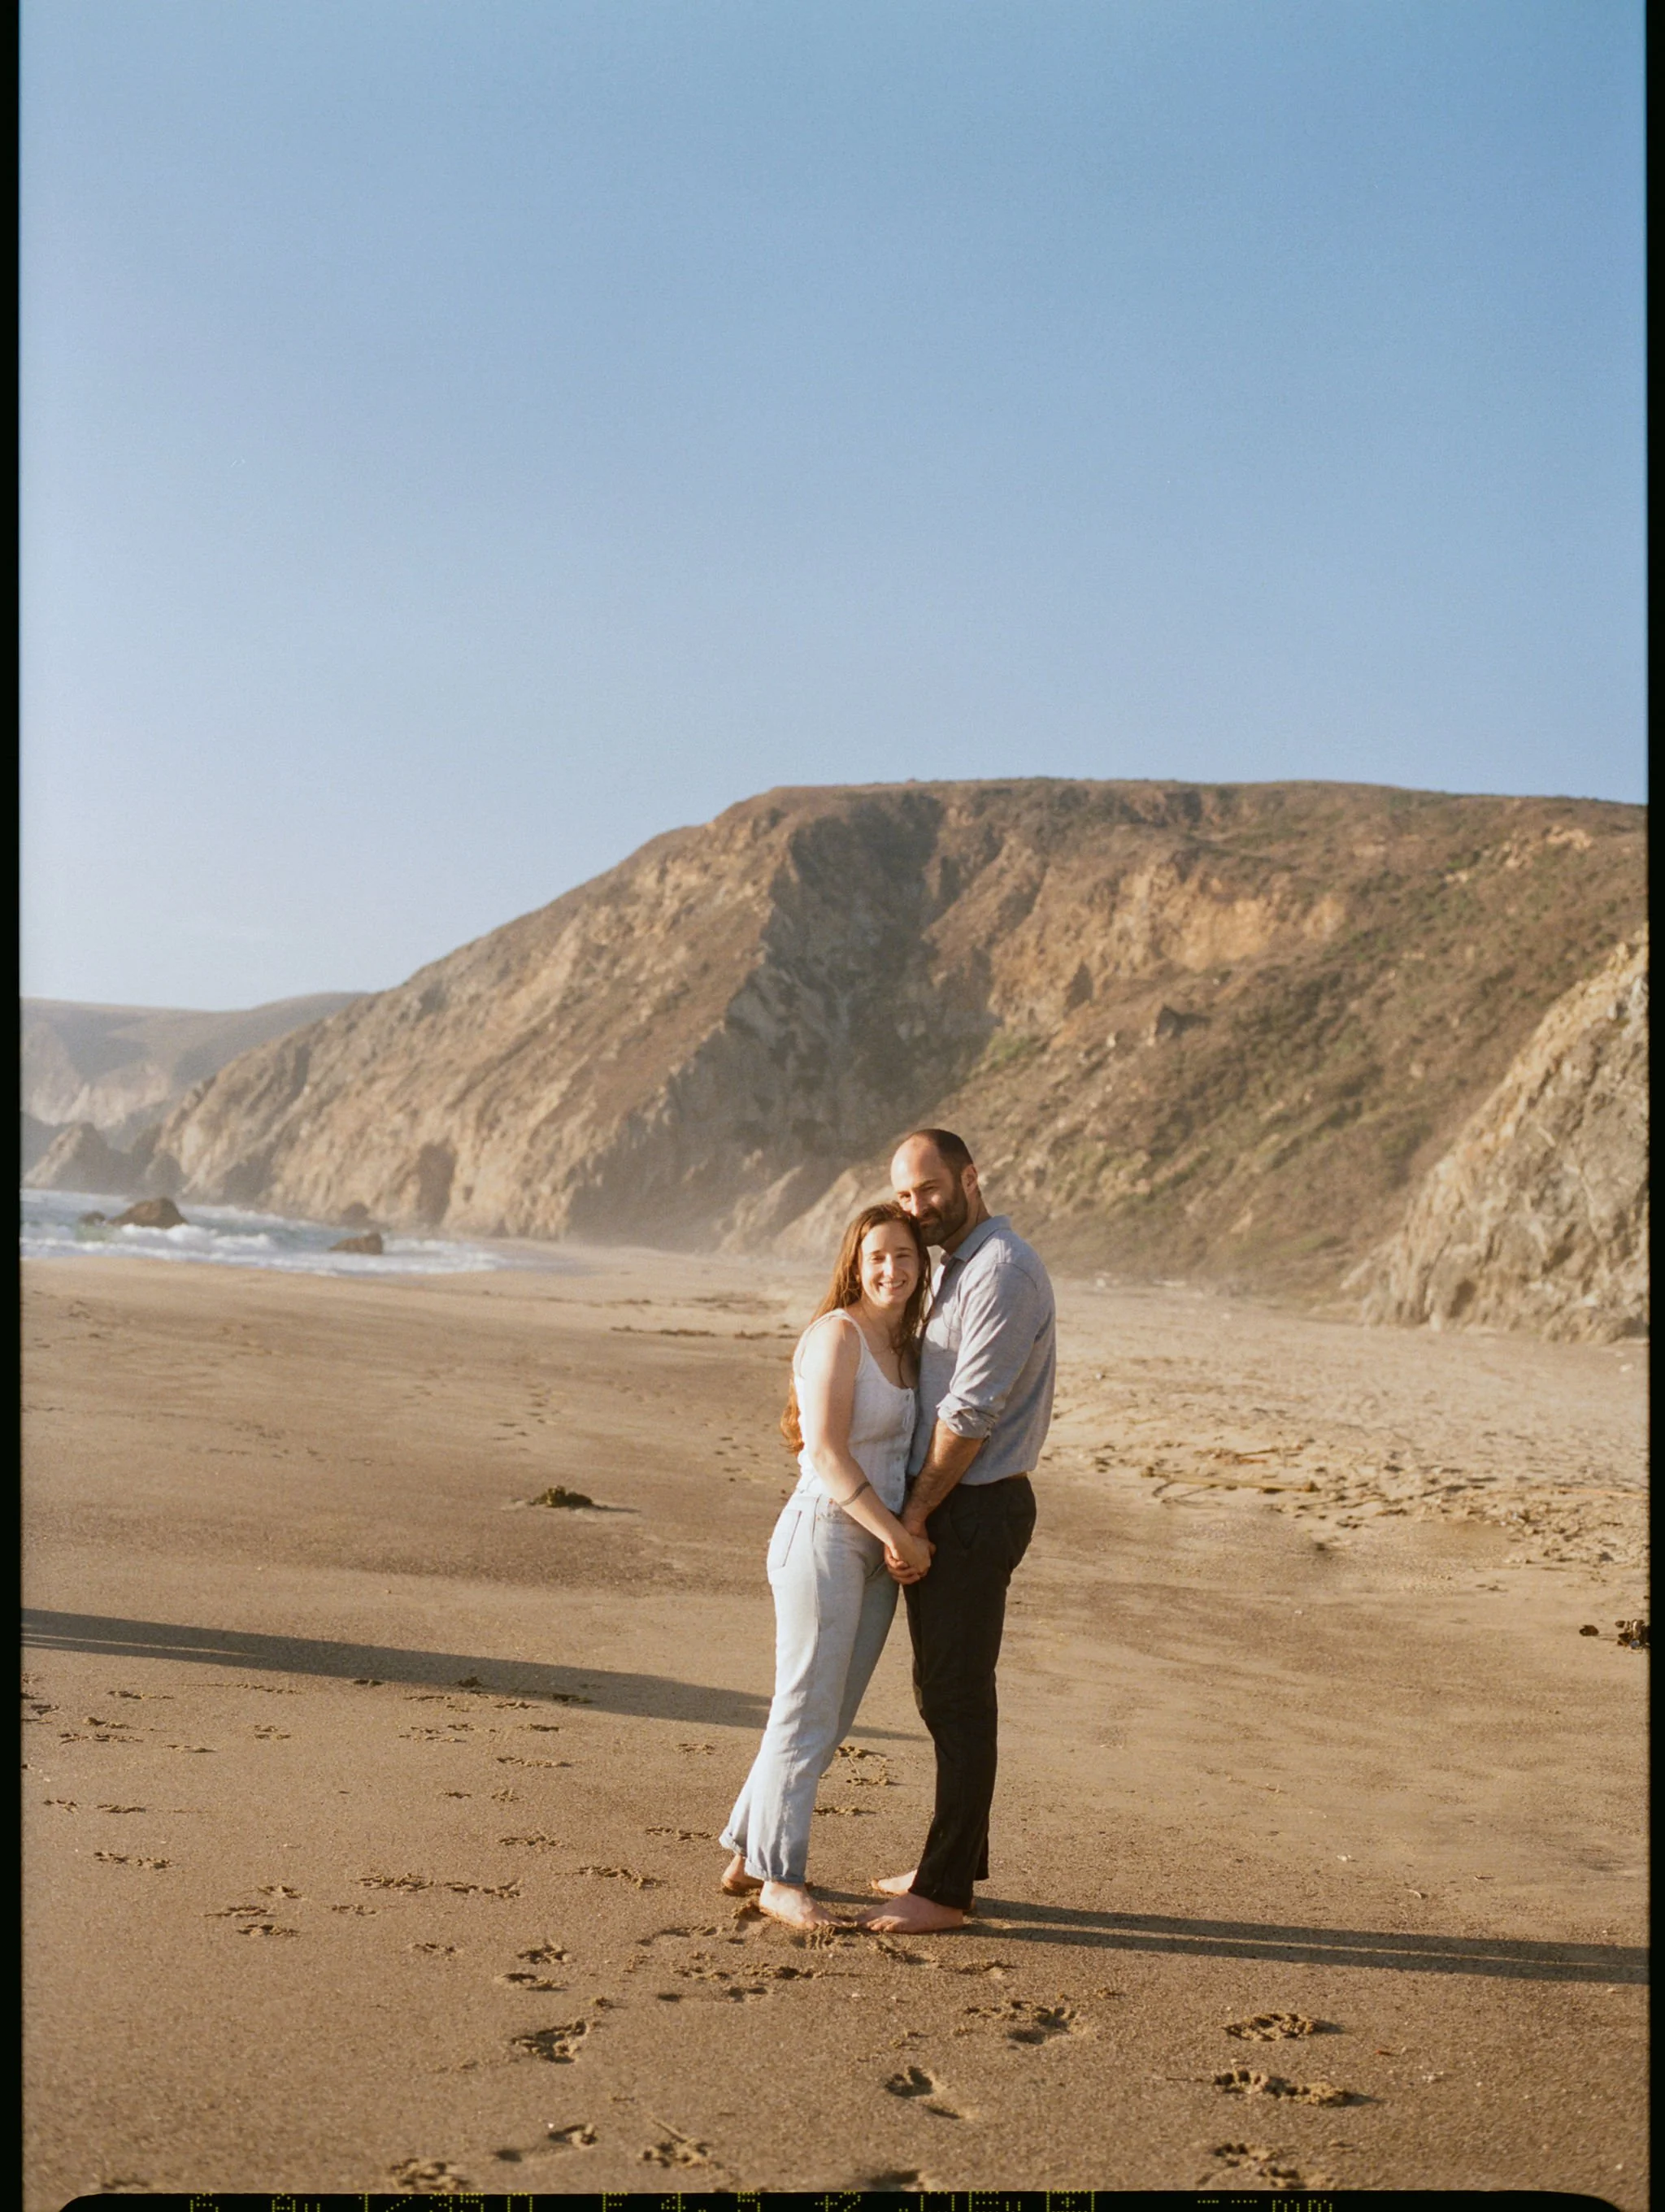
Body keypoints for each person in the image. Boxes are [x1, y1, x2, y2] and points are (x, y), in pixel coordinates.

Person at [860, 1128, 1056, 1935]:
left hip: (971, 1508)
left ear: (969, 1179)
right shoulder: (959, 1266)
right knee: (945, 1694)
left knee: (956, 1698)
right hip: (958, 1505)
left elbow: (969, 1416)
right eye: (903, 1196)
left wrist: (914, 1512)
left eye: (928, 1190)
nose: (916, 1208)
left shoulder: (1002, 1271)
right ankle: (957, 1859)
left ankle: (944, 1890)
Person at [719, 1202, 934, 1929]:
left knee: (828, 1715)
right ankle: (782, 1878)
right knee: (805, 1710)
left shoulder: (905, 1346)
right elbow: (828, 1454)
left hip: (876, 1551)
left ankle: (750, 1850)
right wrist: (895, 1533)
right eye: (877, 1256)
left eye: (905, 1257)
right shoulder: (836, 1335)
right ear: (854, 1261)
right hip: (824, 1537)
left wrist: (899, 1537)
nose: (891, 1270)